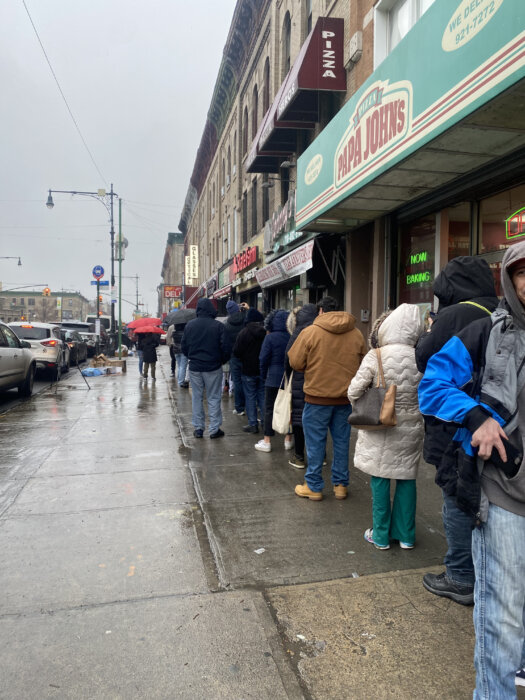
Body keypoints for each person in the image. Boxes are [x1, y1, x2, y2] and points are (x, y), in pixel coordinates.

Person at [418, 241, 525, 698]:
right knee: (503, 617)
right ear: (509, 279)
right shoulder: (483, 332)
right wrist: (476, 417)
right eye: (523, 271)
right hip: (504, 494)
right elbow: (432, 385)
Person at [416, 256, 498, 605]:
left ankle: (461, 576)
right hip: (499, 425)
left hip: (458, 424)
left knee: (455, 495)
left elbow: (426, 362)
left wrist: (430, 330)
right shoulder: (502, 312)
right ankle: (486, 573)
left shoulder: (453, 316)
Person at [347, 304, 424, 549]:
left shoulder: (376, 355)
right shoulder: (422, 355)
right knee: (406, 478)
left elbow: (353, 391)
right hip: (412, 426)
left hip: (380, 425)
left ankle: (380, 536)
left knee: (380, 479)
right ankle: (406, 536)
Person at [288, 296, 366, 500]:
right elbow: (363, 363)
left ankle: (313, 486)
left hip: (317, 398)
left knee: (315, 443)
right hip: (344, 399)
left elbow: (295, 362)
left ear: (320, 311)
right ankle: (340, 485)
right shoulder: (356, 333)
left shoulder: (310, 332)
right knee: (341, 442)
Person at [181, 298, 230, 439]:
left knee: (197, 397)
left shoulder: (190, 325)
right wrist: (221, 360)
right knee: (213, 397)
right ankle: (214, 429)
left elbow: (184, 346)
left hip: (195, 367)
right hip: (213, 366)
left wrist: (192, 357)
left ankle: (198, 428)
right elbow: (226, 347)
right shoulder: (218, 326)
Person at [284, 304, 318, 469]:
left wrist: (288, 375)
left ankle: (299, 456)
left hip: (300, 380)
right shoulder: (321, 331)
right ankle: (321, 456)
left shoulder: (299, 332)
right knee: (318, 421)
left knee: (298, 419)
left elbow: (289, 358)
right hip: (318, 381)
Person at [255, 309, 291, 452]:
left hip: (273, 377)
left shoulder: (270, 338)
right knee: (288, 407)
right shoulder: (291, 336)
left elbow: (263, 358)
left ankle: (267, 440)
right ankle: (288, 439)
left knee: (269, 408)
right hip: (288, 378)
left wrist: (263, 375)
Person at [233, 308, 266, 433]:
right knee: (262, 396)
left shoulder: (243, 333)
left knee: (250, 397)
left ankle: (253, 424)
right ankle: (264, 423)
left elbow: (236, 352)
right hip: (262, 370)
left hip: (247, 370)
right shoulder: (265, 333)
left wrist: (244, 359)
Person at [223, 300, 246, 415]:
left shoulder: (226, 325)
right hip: (247, 355)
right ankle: (250, 405)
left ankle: (239, 408)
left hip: (234, 357)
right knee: (248, 380)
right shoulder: (245, 319)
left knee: (237, 381)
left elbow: (225, 343)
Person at [173, 323, 189, 387]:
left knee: (179, 366)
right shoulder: (185, 333)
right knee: (183, 366)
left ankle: (179, 379)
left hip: (176, 350)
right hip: (182, 350)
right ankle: (181, 381)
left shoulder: (174, 333)